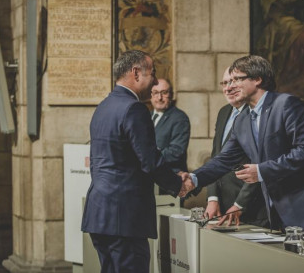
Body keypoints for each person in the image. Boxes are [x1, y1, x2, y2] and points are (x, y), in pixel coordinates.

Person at [191, 55, 304, 245]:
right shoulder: (242, 120)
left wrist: (261, 171)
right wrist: (193, 179)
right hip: (280, 212)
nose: (230, 86)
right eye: (229, 81)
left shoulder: (286, 104)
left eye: (237, 79)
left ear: (258, 79)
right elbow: (223, 159)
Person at [81, 50, 193, 273]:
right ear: (136, 73)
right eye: (152, 73)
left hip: (100, 212)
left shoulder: (103, 106)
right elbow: (149, 161)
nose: (153, 81)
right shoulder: (134, 109)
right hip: (125, 217)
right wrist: (177, 184)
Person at [205, 68, 268, 227]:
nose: (228, 88)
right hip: (224, 209)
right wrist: (213, 198)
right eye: (225, 83)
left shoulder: (257, 113)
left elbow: (259, 163)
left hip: (252, 208)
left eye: (233, 82)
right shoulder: (223, 112)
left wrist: (240, 204)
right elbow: (216, 158)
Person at [151, 79, 190, 174]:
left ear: (171, 95)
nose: (159, 97)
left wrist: (147, 157)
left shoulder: (179, 118)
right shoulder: (146, 116)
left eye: (164, 93)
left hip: (170, 177)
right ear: (150, 95)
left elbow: (176, 152)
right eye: (155, 92)